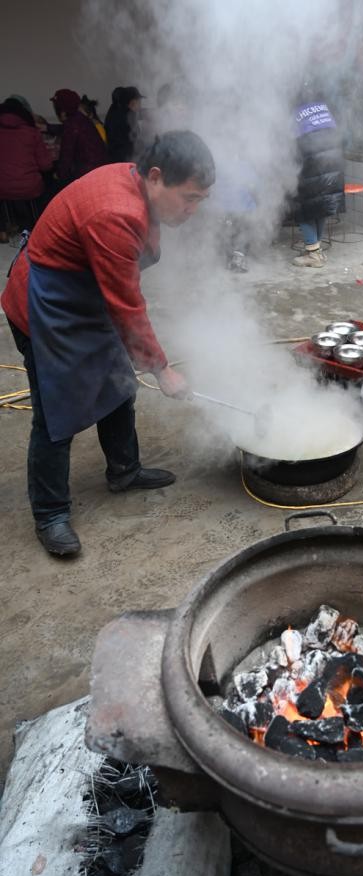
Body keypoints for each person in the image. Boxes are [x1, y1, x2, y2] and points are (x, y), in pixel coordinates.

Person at [1, 130, 215, 557]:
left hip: (85, 296)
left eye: (199, 201)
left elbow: (121, 294)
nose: (192, 211)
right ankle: (50, 514)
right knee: (54, 413)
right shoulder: (115, 212)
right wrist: (162, 368)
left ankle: (124, 470)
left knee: (119, 385)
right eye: (188, 198)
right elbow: (128, 306)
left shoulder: (136, 184)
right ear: (155, 177)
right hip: (47, 306)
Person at [290, 83, 344, 268]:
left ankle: (313, 255)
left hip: (312, 168)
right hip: (333, 165)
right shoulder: (324, 110)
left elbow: (291, 147)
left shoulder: (296, 114)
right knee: (320, 207)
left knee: (303, 209)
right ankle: (316, 250)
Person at [0, 97, 53, 242]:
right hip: (28, 186)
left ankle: (3, 229)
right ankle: (36, 226)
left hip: (3, 187)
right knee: (41, 187)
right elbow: (45, 165)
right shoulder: (32, 132)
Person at [51, 89, 108, 182]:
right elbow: (65, 129)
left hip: (88, 174)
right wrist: (47, 127)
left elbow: (66, 157)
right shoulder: (81, 119)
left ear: (61, 111)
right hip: (100, 169)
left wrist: (59, 175)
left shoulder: (71, 125)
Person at [105, 86, 144, 162]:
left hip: (114, 157)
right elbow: (134, 141)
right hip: (124, 158)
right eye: (139, 101)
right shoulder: (128, 116)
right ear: (132, 102)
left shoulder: (113, 111)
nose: (140, 105)